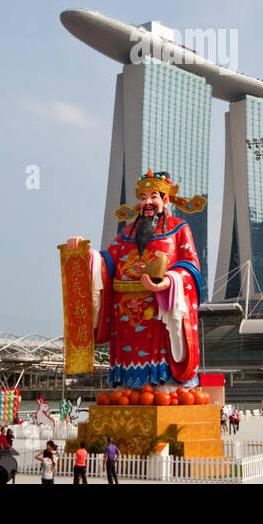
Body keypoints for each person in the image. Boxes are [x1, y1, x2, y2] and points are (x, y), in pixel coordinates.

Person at [65, 169, 206, 395]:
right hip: (125, 317)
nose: (147, 202)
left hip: (160, 310)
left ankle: (166, 387)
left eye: (153, 196)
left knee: (163, 389)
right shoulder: (127, 233)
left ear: (166, 200)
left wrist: (168, 282)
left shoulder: (179, 228)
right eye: (143, 198)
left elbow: (192, 266)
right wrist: (85, 253)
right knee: (126, 386)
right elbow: (106, 262)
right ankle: (127, 388)